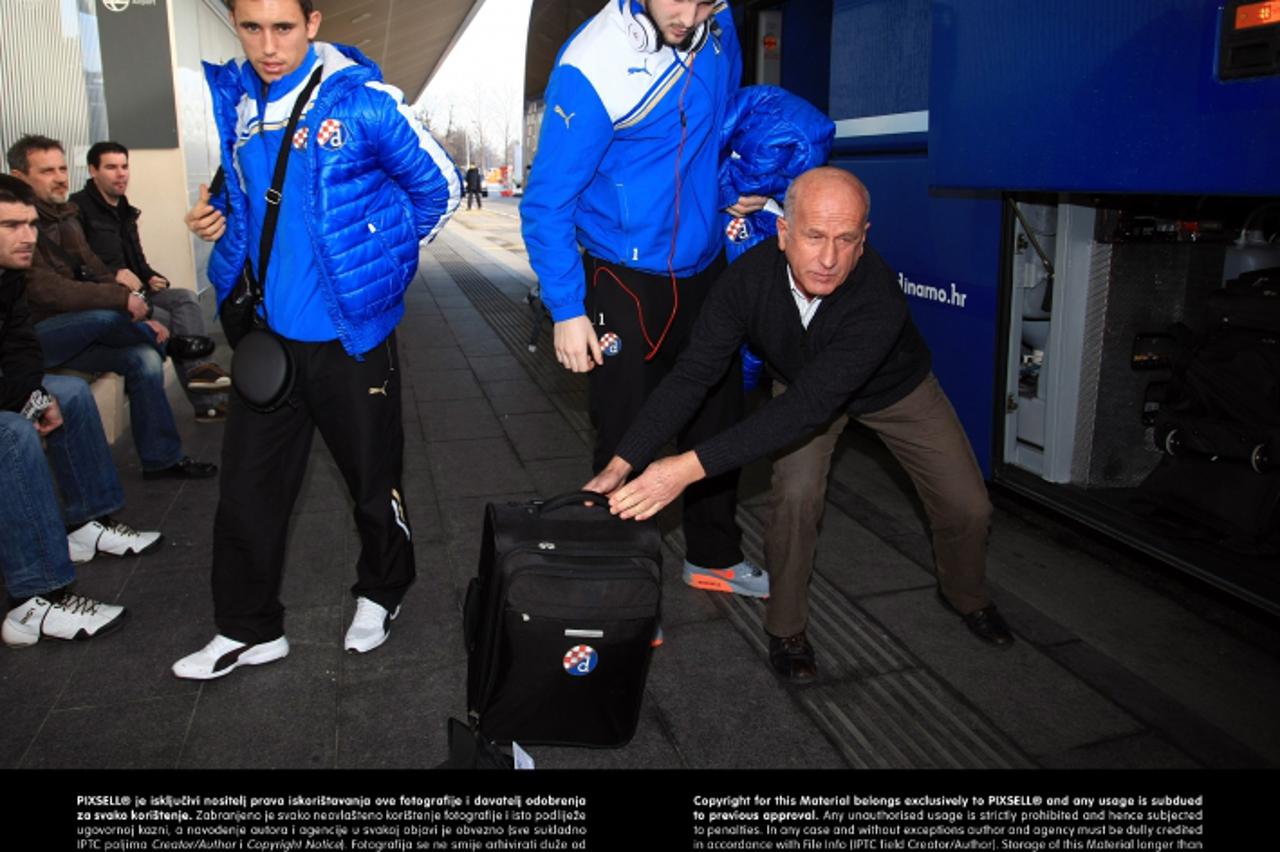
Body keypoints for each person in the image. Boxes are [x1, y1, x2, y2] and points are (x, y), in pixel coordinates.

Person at [585, 167, 1015, 682]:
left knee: (968, 506)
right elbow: (693, 374)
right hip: (801, 385)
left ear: (863, 240)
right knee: (793, 497)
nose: (829, 258)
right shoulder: (746, 281)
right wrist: (623, 460)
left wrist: (682, 470)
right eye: (813, 236)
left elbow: (809, 407)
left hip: (896, 391)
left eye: (845, 239)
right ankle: (786, 628)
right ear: (784, 232)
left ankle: (964, 595)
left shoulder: (877, 296)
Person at [174, 0, 460, 680]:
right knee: (246, 491)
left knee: (372, 483)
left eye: (283, 28)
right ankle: (248, 630)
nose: (267, 45)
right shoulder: (240, 107)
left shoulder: (363, 104)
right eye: (251, 28)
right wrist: (219, 226)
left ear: (313, 23)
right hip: (271, 342)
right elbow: (251, 203)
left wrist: (378, 265)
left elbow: (440, 188)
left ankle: (381, 592)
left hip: (350, 338)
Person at [520, 0, 770, 598]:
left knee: (718, 419)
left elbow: (715, 130)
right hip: (623, 276)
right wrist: (567, 308)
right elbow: (545, 202)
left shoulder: (721, 28)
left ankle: (712, 556)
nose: (688, 14)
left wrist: (729, 186)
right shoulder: (591, 64)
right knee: (626, 435)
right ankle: (626, 581)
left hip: (706, 265)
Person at [0, 175, 162, 648]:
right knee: (10, 432)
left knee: (68, 393)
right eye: (11, 225)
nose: (28, 236)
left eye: (30, 224)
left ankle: (87, 523)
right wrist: (21, 401)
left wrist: (31, 392)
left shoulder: (10, 274)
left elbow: (20, 347)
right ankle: (36, 600)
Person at [8, 135, 218, 481]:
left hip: (78, 327)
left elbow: (98, 270)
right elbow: (47, 291)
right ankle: (175, 344)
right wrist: (123, 301)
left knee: (144, 359)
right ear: (19, 178)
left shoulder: (65, 216)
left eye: (62, 168)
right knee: (109, 315)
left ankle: (162, 459)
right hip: (39, 335)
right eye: (47, 171)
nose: (60, 177)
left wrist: (139, 307)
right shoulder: (17, 226)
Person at [71, 141, 232, 422]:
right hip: (108, 297)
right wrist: (113, 275)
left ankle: (201, 375)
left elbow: (138, 262)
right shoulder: (77, 209)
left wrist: (150, 276)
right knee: (171, 321)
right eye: (111, 167)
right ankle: (207, 398)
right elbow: (76, 266)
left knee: (185, 297)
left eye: (124, 167)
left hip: (140, 291)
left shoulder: (126, 210)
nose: (121, 174)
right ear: (93, 170)